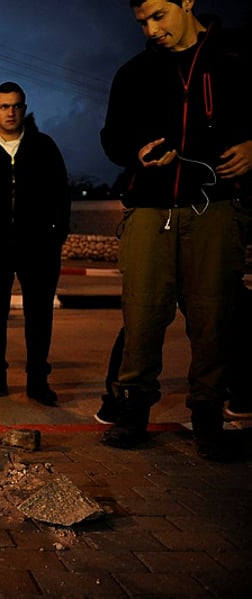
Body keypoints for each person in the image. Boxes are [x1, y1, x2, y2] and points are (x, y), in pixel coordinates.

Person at [99, 0, 251, 460]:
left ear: (186, 1)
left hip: (216, 207)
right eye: (142, 22)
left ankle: (208, 417)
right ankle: (132, 411)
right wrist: (137, 151)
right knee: (142, 316)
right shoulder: (134, 72)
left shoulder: (237, 57)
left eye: (158, 15)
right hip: (150, 208)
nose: (151, 30)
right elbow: (112, 139)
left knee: (213, 319)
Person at [0, 81, 71, 406]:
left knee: (39, 316)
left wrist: (56, 236)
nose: (11, 112)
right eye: (4, 106)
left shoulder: (43, 146)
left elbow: (61, 194)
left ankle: (38, 381)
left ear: (24, 109)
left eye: (16, 106)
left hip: (39, 247)